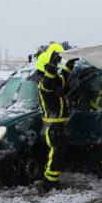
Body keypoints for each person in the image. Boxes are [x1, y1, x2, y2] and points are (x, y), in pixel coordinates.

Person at [37, 42, 79, 192]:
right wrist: (52, 66)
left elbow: (62, 79)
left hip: (57, 125)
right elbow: (48, 83)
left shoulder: (54, 81)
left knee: (57, 153)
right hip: (52, 126)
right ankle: (49, 183)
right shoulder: (44, 83)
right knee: (55, 155)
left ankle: (51, 180)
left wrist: (68, 65)